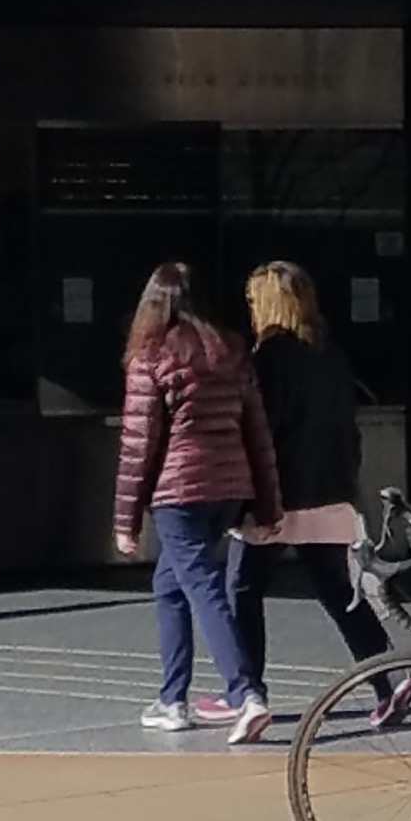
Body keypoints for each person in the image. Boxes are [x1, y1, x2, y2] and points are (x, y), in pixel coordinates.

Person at [225, 261, 411, 732]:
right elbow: (347, 429)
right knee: (338, 591)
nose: (250, 309)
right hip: (330, 492)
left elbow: (260, 433)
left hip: (278, 495)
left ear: (268, 304)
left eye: (253, 301)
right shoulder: (330, 355)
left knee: (241, 590)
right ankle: (387, 678)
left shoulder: (267, 359)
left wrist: (243, 496)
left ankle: (248, 691)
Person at [113, 261, 281, 745]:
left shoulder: (152, 357)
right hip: (229, 490)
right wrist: (267, 505)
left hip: (179, 495)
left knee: (203, 588)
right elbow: (257, 432)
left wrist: (125, 521)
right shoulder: (231, 352)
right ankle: (172, 699)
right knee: (170, 585)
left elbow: (138, 444)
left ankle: (245, 694)